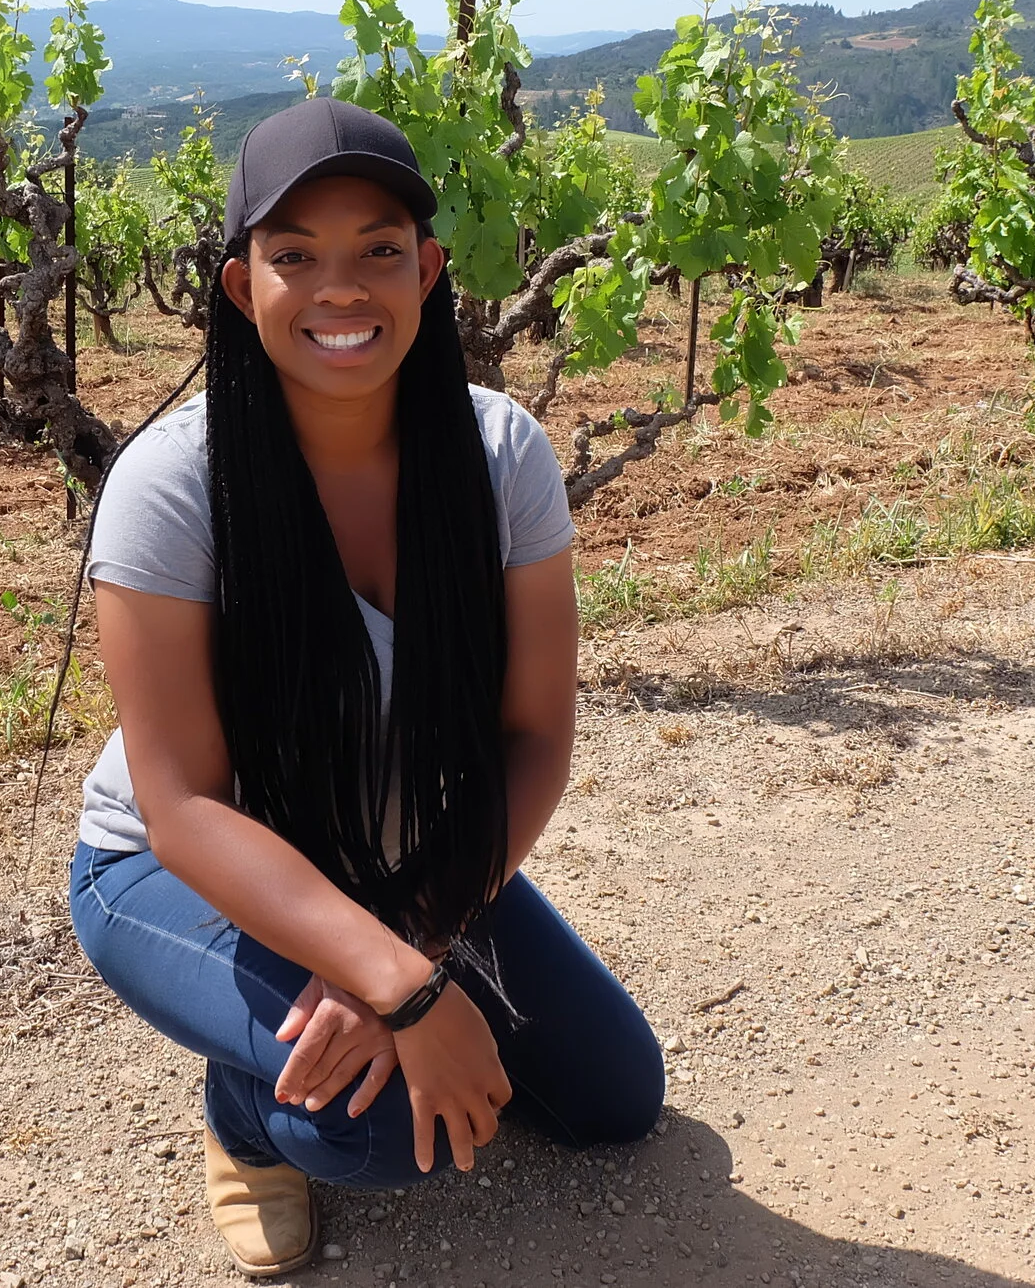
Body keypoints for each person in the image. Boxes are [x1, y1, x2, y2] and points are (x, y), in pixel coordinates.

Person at [68, 96, 665, 1277]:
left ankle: (360, 1006)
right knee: (381, 1128)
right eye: (295, 255)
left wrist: (414, 940)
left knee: (612, 1099)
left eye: (379, 251)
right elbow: (182, 803)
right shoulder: (174, 482)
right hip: (171, 865)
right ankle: (244, 1118)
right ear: (245, 287)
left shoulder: (500, 457)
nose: (341, 288)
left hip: (406, 852)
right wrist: (400, 988)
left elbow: (536, 735)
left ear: (429, 270)